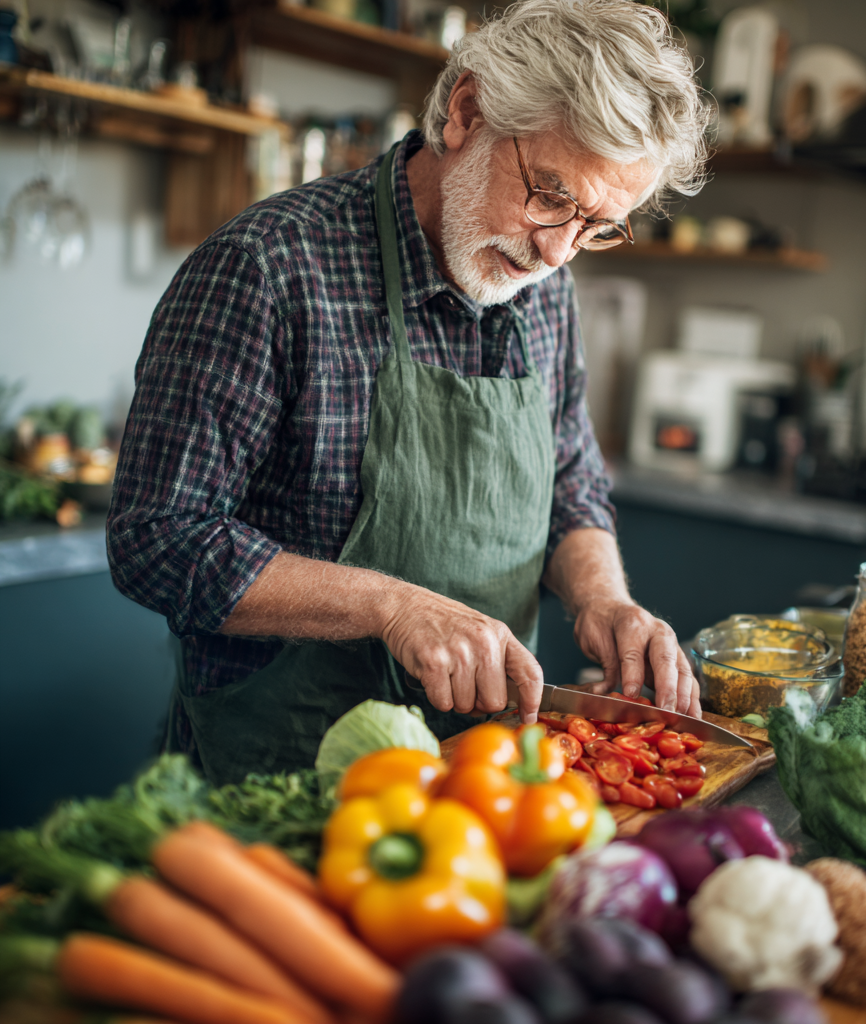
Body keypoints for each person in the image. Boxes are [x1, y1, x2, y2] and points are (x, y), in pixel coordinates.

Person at [107, 0, 711, 784]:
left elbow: (570, 479)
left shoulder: (539, 287)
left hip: (485, 779)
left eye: (598, 225)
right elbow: (157, 538)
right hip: (283, 782)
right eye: (552, 195)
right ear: (466, 112)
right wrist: (391, 607)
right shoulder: (268, 267)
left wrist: (602, 600)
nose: (559, 252)